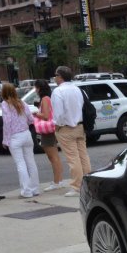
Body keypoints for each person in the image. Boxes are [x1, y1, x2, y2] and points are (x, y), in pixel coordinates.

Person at [52, 65, 90, 198]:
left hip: (66, 128)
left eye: (56, 75)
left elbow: (58, 114)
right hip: (80, 126)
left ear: (60, 77)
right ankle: (87, 183)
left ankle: (76, 186)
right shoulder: (77, 89)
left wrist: (56, 126)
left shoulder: (58, 91)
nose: (54, 77)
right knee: (83, 156)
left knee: (73, 158)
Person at [1, 83, 39, 198]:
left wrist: (5, 140)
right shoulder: (22, 103)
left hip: (15, 137)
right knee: (31, 162)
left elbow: (7, 123)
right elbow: (31, 119)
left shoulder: (5, 104)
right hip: (26, 134)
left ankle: (26, 191)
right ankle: (35, 189)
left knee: (20, 164)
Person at [34, 79, 67, 191]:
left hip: (47, 131)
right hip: (51, 130)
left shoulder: (45, 99)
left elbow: (46, 116)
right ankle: (59, 180)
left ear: (39, 88)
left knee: (52, 157)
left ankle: (57, 182)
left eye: (36, 87)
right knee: (55, 156)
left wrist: (35, 113)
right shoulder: (48, 97)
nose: (35, 90)